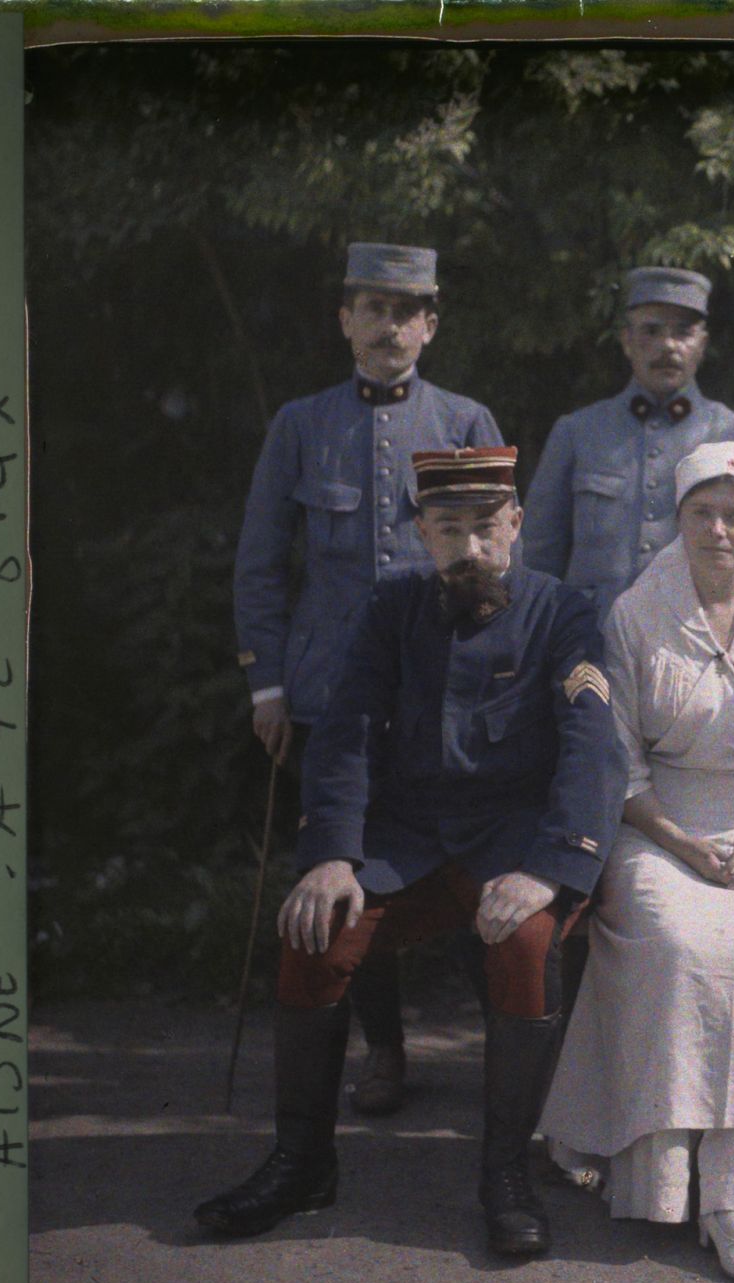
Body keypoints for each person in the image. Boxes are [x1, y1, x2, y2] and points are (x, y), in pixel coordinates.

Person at [197, 446, 629, 1258]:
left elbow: (592, 747)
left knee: (529, 943)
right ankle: (300, 1163)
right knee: (316, 928)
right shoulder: (390, 609)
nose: (469, 548)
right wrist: (331, 852)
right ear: (422, 533)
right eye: (449, 529)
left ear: (516, 525)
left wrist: (549, 867)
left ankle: (505, 1174)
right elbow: (347, 734)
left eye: (485, 528)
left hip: (514, 841)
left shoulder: (562, 611)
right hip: (410, 839)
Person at [538, 444, 734, 1283]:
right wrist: (675, 838)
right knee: (678, 944)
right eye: (702, 510)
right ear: (679, 518)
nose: (719, 528)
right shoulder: (638, 613)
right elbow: (616, 758)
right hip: (660, 822)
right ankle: (667, 1177)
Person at [232, 242, 503, 1119]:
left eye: (408, 311)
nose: (390, 327)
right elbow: (262, 566)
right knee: (350, 869)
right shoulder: (300, 425)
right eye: (372, 309)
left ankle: (508, 1045)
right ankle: (384, 1052)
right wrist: (267, 687)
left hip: (442, 695)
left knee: (465, 868)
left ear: (431, 323)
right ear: (345, 319)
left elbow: (497, 563)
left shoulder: (464, 421)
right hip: (329, 695)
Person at [525, 266, 734, 622]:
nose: (668, 345)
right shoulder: (578, 432)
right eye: (651, 331)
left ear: (703, 343)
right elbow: (538, 556)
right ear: (626, 340)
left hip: (693, 636)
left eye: (683, 332)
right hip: (590, 637)